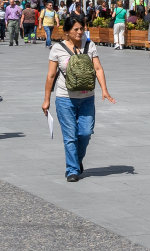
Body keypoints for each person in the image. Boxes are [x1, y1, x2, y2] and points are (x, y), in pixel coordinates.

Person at [42, 14, 116, 181]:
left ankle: (76, 160)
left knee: (85, 132)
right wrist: (46, 99)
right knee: (70, 136)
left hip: (87, 98)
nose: (80, 32)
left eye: (82, 28)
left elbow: (98, 68)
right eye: (76, 29)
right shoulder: (57, 49)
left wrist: (105, 90)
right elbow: (51, 75)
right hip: (64, 98)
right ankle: (72, 170)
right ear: (67, 31)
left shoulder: (89, 45)